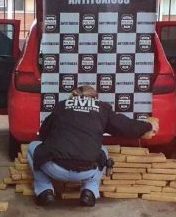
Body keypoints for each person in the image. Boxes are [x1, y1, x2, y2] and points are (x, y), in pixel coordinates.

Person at [27, 86, 158, 207]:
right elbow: (126, 127)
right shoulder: (102, 108)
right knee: (103, 151)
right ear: (95, 98)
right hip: (87, 171)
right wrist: (148, 126)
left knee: (33, 146)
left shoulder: (61, 106)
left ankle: (45, 192)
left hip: (55, 169)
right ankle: (89, 192)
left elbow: (43, 133)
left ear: (73, 97)